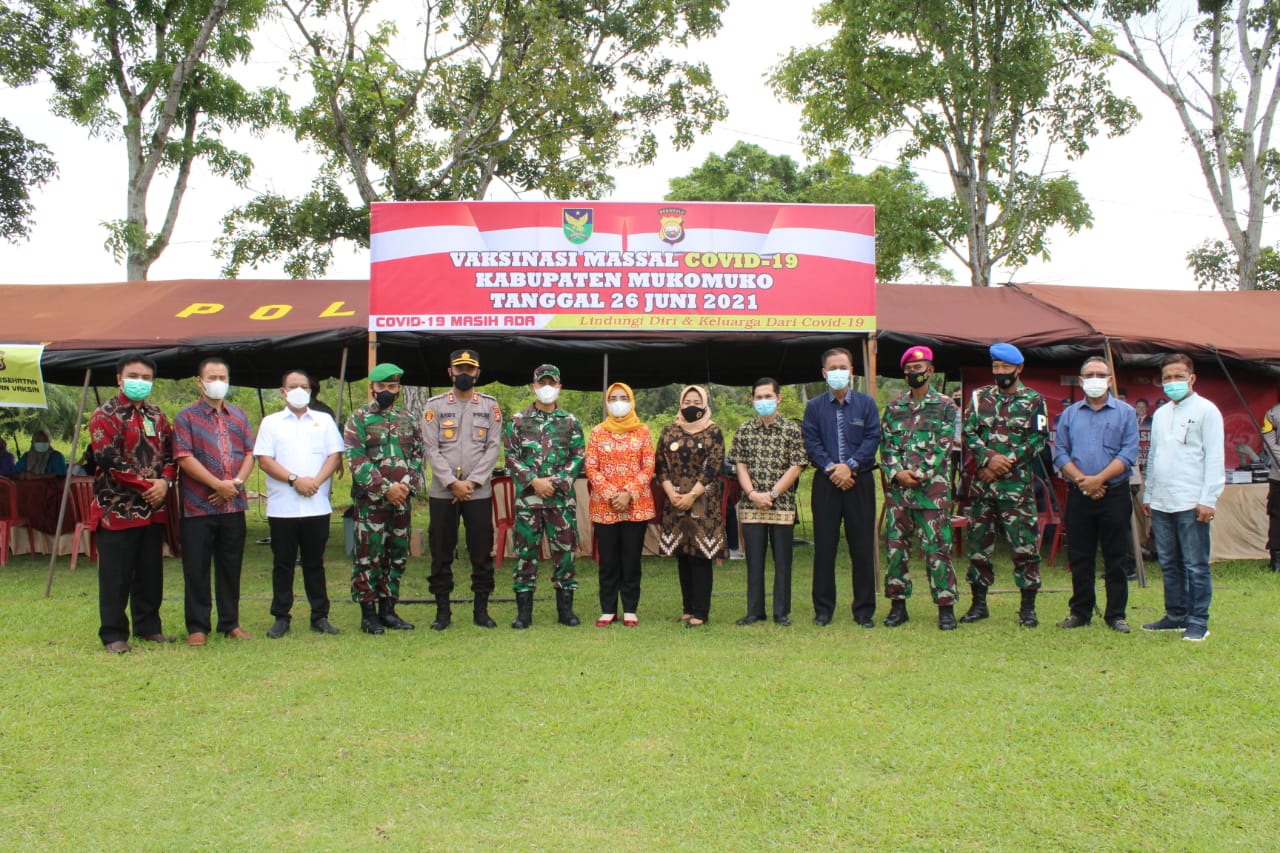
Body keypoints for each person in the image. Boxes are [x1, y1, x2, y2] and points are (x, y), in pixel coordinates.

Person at [89, 353, 177, 653]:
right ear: (119, 378)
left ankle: (148, 626)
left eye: (146, 378)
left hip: (153, 509)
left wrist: (164, 483)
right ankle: (113, 634)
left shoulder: (157, 415)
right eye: (134, 376)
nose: (140, 382)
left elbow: (170, 455)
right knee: (116, 574)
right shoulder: (105, 414)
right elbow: (108, 459)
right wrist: (146, 487)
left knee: (150, 572)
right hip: (117, 508)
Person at [960, 343, 1048, 627]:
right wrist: (988, 458)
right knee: (978, 547)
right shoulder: (979, 398)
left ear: (1019, 369)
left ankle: (1027, 608)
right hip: (983, 486)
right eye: (996, 368)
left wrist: (1004, 461)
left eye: (1005, 368)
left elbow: (1038, 440)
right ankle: (979, 604)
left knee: (1025, 548)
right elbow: (969, 432)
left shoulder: (1035, 401)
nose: (1000, 373)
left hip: (1016, 488)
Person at [255, 368, 345, 638]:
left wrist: (315, 481)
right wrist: (295, 480)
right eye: (292, 386)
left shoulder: (324, 421)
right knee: (282, 563)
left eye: (303, 387)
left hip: (317, 504)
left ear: (311, 391)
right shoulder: (270, 423)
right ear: (282, 392)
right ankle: (281, 617)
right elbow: (265, 460)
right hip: (283, 507)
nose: (298, 391)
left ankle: (320, 616)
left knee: (314, 562)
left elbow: (335, 455)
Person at [1052, 356, 1140, 633]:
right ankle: (1080, 611)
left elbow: (1128, 453)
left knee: (1116, 557)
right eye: (1089, 374)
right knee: (1080, 556)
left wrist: (1098, 480)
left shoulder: (1125, 413)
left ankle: (1116, 614)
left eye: (1100, 374)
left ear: (1110, 380)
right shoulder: (1069, 414)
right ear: (1081, 381)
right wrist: (1083, 481)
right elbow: (1060, 452)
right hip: (1079, 493)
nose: (1094, 379)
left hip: (1114, 493)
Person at [1141, 353, 1225, 641]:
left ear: (1192, 378)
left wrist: (1208, 499)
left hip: (1192, 500)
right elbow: (1154, 456)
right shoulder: (1162, 414)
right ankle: (1175, 615)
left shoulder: (1207, 410)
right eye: (1167, 378)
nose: (1172, 382)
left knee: (1195, 564)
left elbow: (1215, 457)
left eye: (1178, 376)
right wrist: (1148, 493)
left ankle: (1198, 620)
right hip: (1162, 500)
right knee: (1169, 562)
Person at [173, 357, 256, 646]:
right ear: (200, 381)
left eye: (222, 377)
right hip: (198, 505)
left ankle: (230, 622)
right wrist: (216, 485)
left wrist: (235, 484)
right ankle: (197, 626)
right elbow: (183, 457)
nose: (218, 383)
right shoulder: (186, 417)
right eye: (212, 377)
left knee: (230, 566)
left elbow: (249, 454)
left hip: (234, 504)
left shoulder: (239, 416)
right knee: (196, 568)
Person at [879, 346, 961, 630]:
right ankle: (898, 605)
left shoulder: (946, 406)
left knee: (937, 548)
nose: (915, 373)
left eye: (920, 368)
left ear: (931, 371)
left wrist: (921, 473)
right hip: (899, 492)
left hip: (932, 493)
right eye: (910, 370)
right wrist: (896, 472)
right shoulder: (894, 408)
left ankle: (945, 607)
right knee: (895, 550)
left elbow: (944, 445)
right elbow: (886, 446)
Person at [422, 348, 503, 630]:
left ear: (478, 373)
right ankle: (442, 613)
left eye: (470, 370)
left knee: (481, 552)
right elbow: (431, 448)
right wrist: (452, 483)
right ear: (450, 372)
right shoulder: (435, 406)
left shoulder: (490, 406)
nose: (465, 374)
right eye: (460, 369)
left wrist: (472, 482)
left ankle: (481, 611)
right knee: (441, 551)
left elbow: (493, 447)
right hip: (443, 491)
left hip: (477, 491)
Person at [801, 347, 881, 627]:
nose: (838, 372)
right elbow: (811, 442)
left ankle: (864, 611)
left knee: (862, 548)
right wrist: (833, 468)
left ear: (852, 371)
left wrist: (851, 465)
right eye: (832, 368)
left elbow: (873, 438)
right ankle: (823, 610)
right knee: (824, 548)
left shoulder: (867, 404)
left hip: (860, 481)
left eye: (842, 367)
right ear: (824, 374)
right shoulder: (814, 407)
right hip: (826, 482)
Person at [503, 364, 586, 629]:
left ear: (559, 387)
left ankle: (566, 611)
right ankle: (523, 613)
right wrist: (534, 481)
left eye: (552, 383)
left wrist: (558, 482)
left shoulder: (570, 422)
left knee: (565, 553)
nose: (547, 388)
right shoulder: (517, 421)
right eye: (542, 383)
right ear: (533, 387)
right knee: (526, 554)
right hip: (529, 501)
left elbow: (578, 456)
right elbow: (511, 457)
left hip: (560, 501)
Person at [345, 362, 425, 635]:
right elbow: (356, 460)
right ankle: (368, 614)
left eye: (393, 387)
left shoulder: (409, 418)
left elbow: (417, 455)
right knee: (370, 555)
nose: (388, 391)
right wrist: (384, 488)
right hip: (371, 503)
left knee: (397, 554)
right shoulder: (358, 419)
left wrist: (405, 485)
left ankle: (389, 610)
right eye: (382, 387)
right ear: (372, 387)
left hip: (402, 501)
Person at [730, 377, 806, 626]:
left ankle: (781, 611)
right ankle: (755, 610)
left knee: (783, 560)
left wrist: (772, 494)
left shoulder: (792, 429)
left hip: (781, 505)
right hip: (752, 505)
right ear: (752, 400)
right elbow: (739, 464)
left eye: (768, 397)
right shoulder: (744, 430)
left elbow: (796, 466)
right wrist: (752, 494)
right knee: (754, 561)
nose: (763, 401)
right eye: (759, 397)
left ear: (778, 398)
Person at [584, 382, 656, 627]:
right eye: (613, 398)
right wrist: (613, 493)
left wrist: (629, 493)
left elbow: (648, 466)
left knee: (631, 558)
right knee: (608, 559)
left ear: (632, 400)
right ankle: (607, 608)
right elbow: (591, 467)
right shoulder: (597, 432)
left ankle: (630, 609)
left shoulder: (643, 431)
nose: (617, 402)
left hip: (636, 506)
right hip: (605, 506)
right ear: (606, 402)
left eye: (623, 397)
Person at [655, 385, 726, 627]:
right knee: (683, 555)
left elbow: (713, 468)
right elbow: (660, 466)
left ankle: (700, 612)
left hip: (702, 502)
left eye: (697, 401)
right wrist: (671, 493)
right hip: (674, 501)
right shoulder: (669, 430)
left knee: (700, 555)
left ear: (705, 404)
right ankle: (687, 608)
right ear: (680, 404)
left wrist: (691, 495)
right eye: (687, 402)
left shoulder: (713, 431)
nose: (691, 405)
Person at [1265, 398, 1280, 572]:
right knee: (1277, 517)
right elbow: (1269, 443)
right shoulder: (1272, 413)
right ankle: (1277, 561)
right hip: (1278, 477)